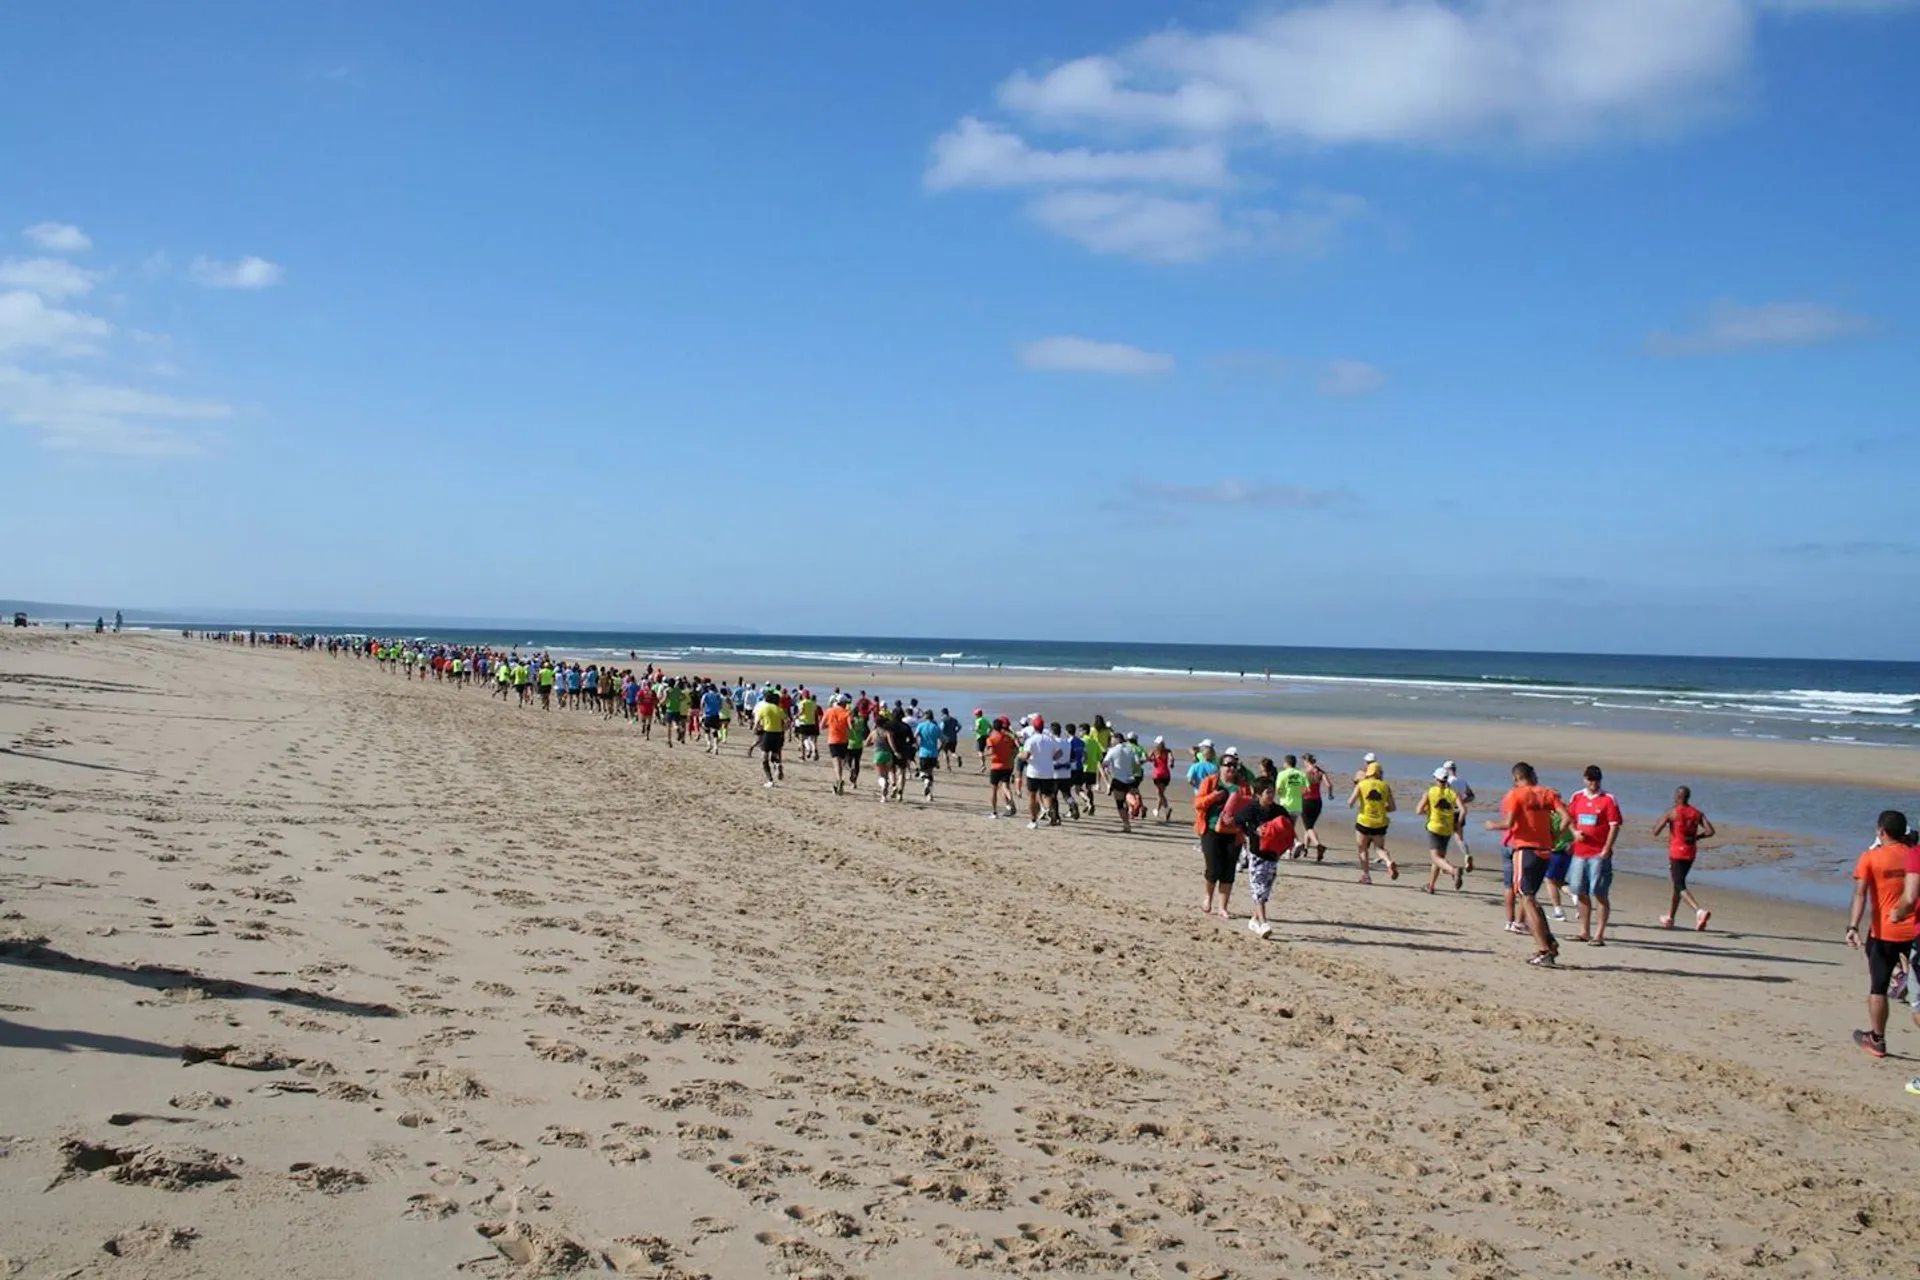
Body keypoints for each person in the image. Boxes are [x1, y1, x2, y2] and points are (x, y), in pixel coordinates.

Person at [1845, 811, 1919, 1059]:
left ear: (1881, 832)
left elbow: (1860, 894)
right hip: (1915, 932)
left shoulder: (1870, 858)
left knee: (1878, 987)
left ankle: (1877, 1039)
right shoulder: (1914, 855)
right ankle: (1905, 978)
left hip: (1885, 932)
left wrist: (1852, 926)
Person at [1486, 763, 1572, 966]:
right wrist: (1555, 835)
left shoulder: (1515, 795)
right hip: (1545, 850)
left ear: (1516, 778)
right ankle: (1548, 942)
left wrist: (1491, 825)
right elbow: (1566, 818)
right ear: (1533, 776)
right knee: (1530, 896)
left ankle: (1544, 950)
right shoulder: (1546, 793)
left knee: (1526, 898)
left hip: (1525, 849)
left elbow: (1509, 823)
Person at [1566, 765, 1623, 946]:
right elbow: (1569, 819)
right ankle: (1584, 931)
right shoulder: (1577, 797)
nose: (1593, 783)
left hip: (1598, 853)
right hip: (1580, 852)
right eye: (1590, 779)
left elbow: (1614, 825)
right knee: (1579, 889)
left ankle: (1599, 934)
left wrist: (1607, 848)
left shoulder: (1608, 799)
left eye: (1596, 780)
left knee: (1599, 892)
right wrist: (1574, 833)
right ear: (1585, 779)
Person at [1192, 749, 1250, 920]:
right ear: (1220, 767)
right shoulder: (1211, 782)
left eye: (1234, 765)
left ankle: (1223, 908)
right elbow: (1198, 804)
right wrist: (1213, 797)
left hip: (1234, 832)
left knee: (1228, 870)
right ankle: (1208, 897)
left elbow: (1250, 806)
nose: (1231, 768)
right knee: (1213, 868)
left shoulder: (1243, 786)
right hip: (1210, 830)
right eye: (1227, 765)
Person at [1652, 786, 1716, 930]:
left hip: (1677, 852)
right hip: (1691, 851)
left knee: (1679, 884)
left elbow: (1656, 831)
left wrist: (1665, 819)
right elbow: (1710, 831)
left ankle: (1699, 911)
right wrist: (1697, 837)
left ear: (1677, 797)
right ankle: (1670, 917)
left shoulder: (1672, 812)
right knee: (1678, 883)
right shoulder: (1697, 813)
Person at [1237, 780, 1294, 938]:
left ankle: (1254, 920)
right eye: (1267, 792)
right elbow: (1239, 820)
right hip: (1257, 854)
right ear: (1258, 794)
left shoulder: (1278, 810)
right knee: (1258, 888)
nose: (1271, 795)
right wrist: (1252, 831)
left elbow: (1288, 826)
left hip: (1273, 855)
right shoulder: (1252, 808)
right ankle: (1263, 923)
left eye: (1272, 792)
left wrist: (1294, 844)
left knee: (1266, 889)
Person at [1347, 760, 1398, 885]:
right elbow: (1392, 807)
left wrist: (1361, 804)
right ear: (1378, 773)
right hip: (1380, 822)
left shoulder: (1361, 784)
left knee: (1362, 849)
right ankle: (1388, 861)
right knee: (1379, 848)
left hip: (1364, 821)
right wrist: (1381, 808)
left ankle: (1366, 875)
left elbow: (1350, 802)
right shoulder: (1385, 786)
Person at [1416, 767, 1465, 893]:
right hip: (1447, 829)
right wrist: (1458, 824)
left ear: (1436, 779)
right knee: (1439, 859)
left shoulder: (1430, 792)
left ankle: (1453, 870)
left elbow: (1418, 810)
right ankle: (1431, 886)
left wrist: (1429, 810)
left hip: (1434, 827)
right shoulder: (1452, 793)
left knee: (1436, 858)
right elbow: (1463, 810)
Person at [1023, 717, 1064, 829]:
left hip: (1033, 772)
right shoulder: (1049, 739)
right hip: (1048, 772)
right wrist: (1052, 758)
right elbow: (1060, 752)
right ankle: (1048, 809)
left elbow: (1026, 756)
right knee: (1047, 795)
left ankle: (1033, 821)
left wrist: (1020, 756)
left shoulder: (1030, 740)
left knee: (1032, 796)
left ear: (1034, 727)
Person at [1102, 730, 1141, 833]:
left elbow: (1104, 763)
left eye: (1112, 739)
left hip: (1118, 779)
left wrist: (1106, 769)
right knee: (1127, 798)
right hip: (1130, 778)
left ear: (1117, 739)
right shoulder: (1131, 749)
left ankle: (1127, 825)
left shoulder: (1113, 750)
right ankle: (1135, 802)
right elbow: (1137, 763)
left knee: (1120, 804)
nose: (1111, 741)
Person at [1442, 761, 1475, 872]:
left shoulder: (1448, 781)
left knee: (1444, 838)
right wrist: (1461, 801)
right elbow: (1471, 796)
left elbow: (1444, 796)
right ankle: (1466, 855)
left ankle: (1442, 862)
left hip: (1449, 811)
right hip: (1460, 811)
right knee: (1459, 838)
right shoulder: (1462, 781)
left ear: (1447, 769)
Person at [1273, 755, 1308, 858]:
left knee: (1285, 828)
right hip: (1297, 805)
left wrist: (1281, 794)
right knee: (1290, 827)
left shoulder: (1282, 774)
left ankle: (1296, 843)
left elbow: (1278, 790)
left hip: (1285, 804)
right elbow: (1307, 789)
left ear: (1286, 763)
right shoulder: (1300, 774)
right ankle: (1289, 850)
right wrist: (1299, 794)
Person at [753, 685, 788, 787]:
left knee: (764, 758)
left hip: (767, 733)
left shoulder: (764, 708)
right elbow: (787, 721)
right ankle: (778, 765)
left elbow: (757, 722)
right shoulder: (779, 709)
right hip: (778, 734)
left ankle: (770, 780)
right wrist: (784, 729)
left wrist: (755, 729)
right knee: (775, 754)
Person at [1300, 754, 1332, 861]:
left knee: (1308, 827)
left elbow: (1303, 788)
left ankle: (1318, 846)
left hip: (1306, 800)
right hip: (1317, 801)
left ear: (1306, 761)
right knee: (1309, 826)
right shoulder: (1320, 772)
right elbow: (1329, 785)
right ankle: (1305, 849)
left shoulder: (1304, 772)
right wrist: (1330, 794)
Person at [985, 718, 1019, 818]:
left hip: (996, 766)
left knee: (994, 790)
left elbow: (991, 751)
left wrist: (984, 755)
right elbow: (1014, 749)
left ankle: (994, 812)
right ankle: (1010, 801)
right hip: (1007, 765)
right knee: (1006, 787)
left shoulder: (991, 738)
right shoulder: (1008, 737)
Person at [822, 694, 854, 794]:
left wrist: (831, 724)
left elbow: (822, 726)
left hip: (833, 740)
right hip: (844, 740)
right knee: (841, 763)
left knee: (836, 764)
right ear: (843, 703)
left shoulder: (829, 711)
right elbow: (850, 727)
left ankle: (839, 780)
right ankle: (838, 782)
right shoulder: (847, 713)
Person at [914, 710, 943, 800]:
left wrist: (917, 745)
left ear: (926, 717)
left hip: (923, 752)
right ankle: (929, 795)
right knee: (930, 773)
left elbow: (915, 736)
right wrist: (939, 750)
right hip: (933, 753)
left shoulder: (921, 725)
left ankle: (926, 782)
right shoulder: (936, 727)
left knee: (923, 772)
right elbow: (943, 741)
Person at [1146, 737, 1175, 822]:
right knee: (1160, 793)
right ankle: (1157, 810)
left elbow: (1148, 759)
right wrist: (1171, 764)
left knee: (1160, 793)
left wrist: (1152, 759)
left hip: (1157, 775)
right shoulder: (1168, 751)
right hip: (1166, 774)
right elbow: (1171, 759)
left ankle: (1167, 808)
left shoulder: (1154, 751)